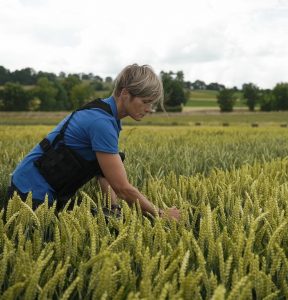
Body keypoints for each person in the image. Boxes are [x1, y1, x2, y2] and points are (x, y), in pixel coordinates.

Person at [6, 64, 180, 221]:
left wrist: (112, 209)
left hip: (41, 189)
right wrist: (161, 214)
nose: (150, 109)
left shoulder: (107, 115)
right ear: (125, 94)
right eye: (145, 102)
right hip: (29, 192)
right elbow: (122, 188)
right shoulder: (101, 122)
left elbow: (102, 169)